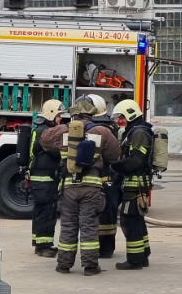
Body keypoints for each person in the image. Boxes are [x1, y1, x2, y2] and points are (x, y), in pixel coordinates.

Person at [40, 98, 120, 276]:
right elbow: (115, 155)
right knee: (89, 226)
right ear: (92, 114)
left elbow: (43, 140)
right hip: (92, 187)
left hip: (68, 187)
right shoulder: (102, 131)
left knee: (68, 226)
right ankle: (90, 266)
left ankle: (64, 265)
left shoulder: (63, 130)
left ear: (74, 113)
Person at [110, 99, 155, 270]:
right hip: (134, 183)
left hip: (135, 183)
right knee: (137, 220)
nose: (120, 120)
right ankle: (143, 256)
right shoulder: (134, 131)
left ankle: (135, 260)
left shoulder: (139, 133)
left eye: (122, 116)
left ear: (130, 114)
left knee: (129, 220)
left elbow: (136, 160)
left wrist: (114, 166)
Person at [28, 99, 65, 257]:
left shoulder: (40, 129)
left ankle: (38, 241)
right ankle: (44, 246)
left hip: (39, 179)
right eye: (58, 115)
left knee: (40, 209)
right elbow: (54, 152)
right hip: (44, 180)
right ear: (50, 114)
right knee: (47, 211)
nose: (60, 119)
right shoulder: (46, 132)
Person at [86, 94, 121, 259]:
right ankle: (106, 249)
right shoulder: (109, 128)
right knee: (108, 214)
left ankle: (98, 249)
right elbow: (114, 155)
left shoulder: (83, 128)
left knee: (92, 215)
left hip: (91, 180)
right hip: (108, 179)